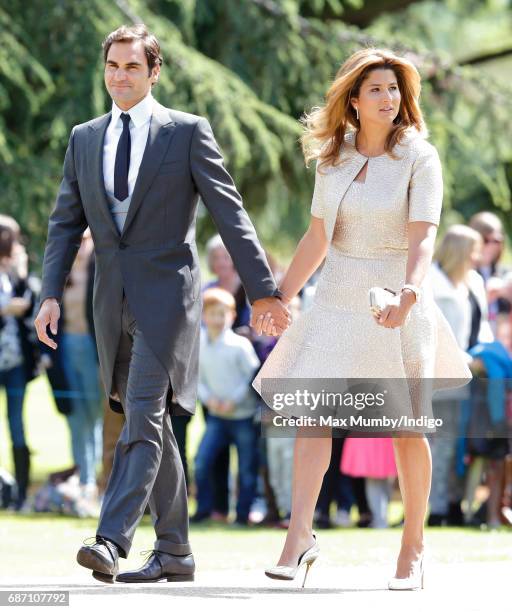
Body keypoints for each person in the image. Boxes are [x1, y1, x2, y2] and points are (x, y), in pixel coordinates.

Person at [34, 24, 289, 584]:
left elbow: (231, 214)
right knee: (152, 423)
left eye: (132, 67)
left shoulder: (186, 132)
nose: (120, 77)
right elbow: (64, 224)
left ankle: (110, 537)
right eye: (112, 67)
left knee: (146, 409)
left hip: (170, 297)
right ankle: (175, 552)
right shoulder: (84, 137)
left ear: (154, 72)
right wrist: (51, 292)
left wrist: (264, 291)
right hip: (109, 300)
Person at [252, 47, 472, 590]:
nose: (388, 97)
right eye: (375, 88)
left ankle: (413, 548)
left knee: (405, 426)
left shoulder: (421, 157)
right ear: (353, 99)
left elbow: (423, 239)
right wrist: (280, 296)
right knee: (310, 413)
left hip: (397, 298)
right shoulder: (334, 157)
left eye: (394, 89)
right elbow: (317, 238)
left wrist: (409, 295)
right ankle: (298, 538)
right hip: (335, 299)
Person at [426, 225, 493, 526]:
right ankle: (438, 508)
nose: (478, 257)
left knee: (458, 446)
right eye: (474, 250)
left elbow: (481, 327)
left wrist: (482, 356)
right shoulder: (429, 282)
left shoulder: (474, 282)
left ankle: (453, 503)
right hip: (437, 376)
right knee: (439, 444)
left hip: (469, 375)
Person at [193, 287, 260, 525]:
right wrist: (208, 399)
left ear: (232, 315)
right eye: (212, 313)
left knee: (246, 470)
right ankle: (204, 510)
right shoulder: (197, 343)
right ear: (203, 316)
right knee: (201, 462)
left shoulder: (240, 345)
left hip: (242, 417)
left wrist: (233, 400)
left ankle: (243, 515)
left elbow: (252, 377)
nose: (217, 319)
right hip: (217, 417)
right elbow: (196, 377)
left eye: (223, 314)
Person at [60, 229, 103, 516]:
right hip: (65, 347)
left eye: (85, 240)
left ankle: (92, 481)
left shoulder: (99, 268)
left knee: (93, 415)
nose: (80, 245)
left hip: (92, 348)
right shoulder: (61, 271)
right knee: (74, 416)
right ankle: (83, 478)